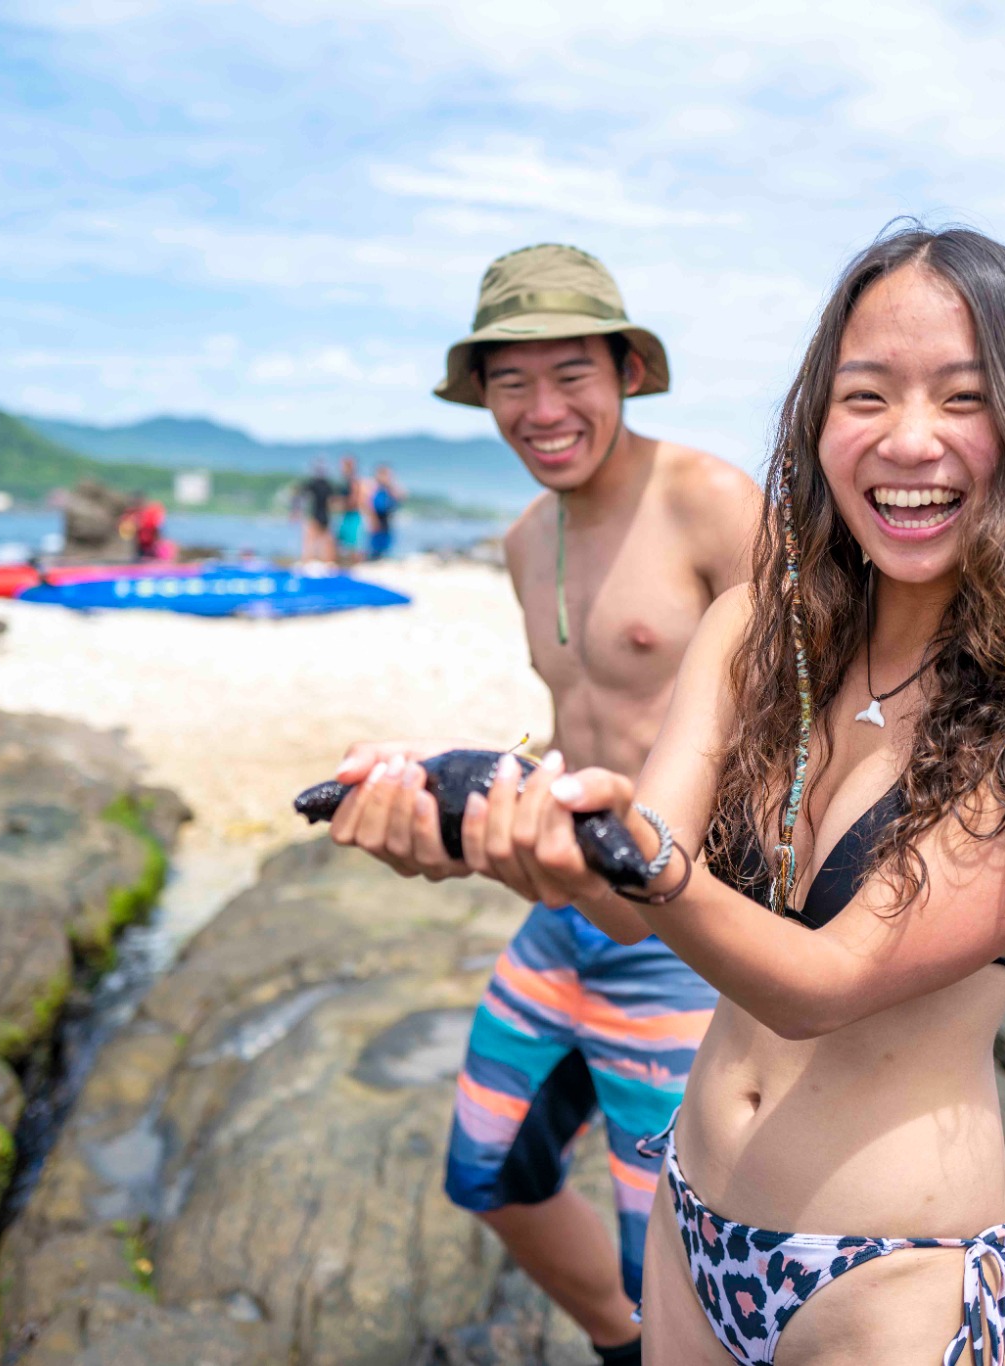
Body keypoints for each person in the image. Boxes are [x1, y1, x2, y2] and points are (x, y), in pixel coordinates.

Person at [347, 226, 1005, 1364]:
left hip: (888, 1280)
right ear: (816, 420)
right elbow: (641, 882)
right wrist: (488, 828)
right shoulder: (757, 630)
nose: (907, 440)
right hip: (688, 1231)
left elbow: (826, 981)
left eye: (963, 398)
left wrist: (628, 861)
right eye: (865, 396)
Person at [328, 243, 762, 1364]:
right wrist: (456, 790)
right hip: (563, 909)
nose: (540, 408)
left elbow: (812, 712)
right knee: (491, 1174)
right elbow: (579, 722)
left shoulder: (709, 501)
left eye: (569, 372)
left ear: (625, 368)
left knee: (675, 1254)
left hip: (686, 928)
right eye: (508, 382)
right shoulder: (526, 538)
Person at [299, 459, 336, 565]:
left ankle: (307, 562)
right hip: (325, 515)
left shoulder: (313, 484)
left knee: (310, 541)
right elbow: (333, 501)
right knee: (326, 542)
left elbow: (302, 495)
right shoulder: (328, 485)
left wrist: (297, 511)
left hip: (315, 514)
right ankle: (328, 562)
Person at [367, 464, 404, 560]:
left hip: (386, 521)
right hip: (377, 521)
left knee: (386, 548)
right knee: (374, 548)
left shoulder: (389, 490)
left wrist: (391, 485)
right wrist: (372, 520)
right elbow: (369, 506)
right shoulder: (373, 488)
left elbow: (401, 497)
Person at [335, 455, 366, 564]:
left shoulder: (354, 481)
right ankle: (347, 565)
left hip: (353, 515)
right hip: (347, 515)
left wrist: (339, 504)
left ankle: (355, 566)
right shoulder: (346, 481)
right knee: (342, 543)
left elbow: (355, 501)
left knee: (353, 545)